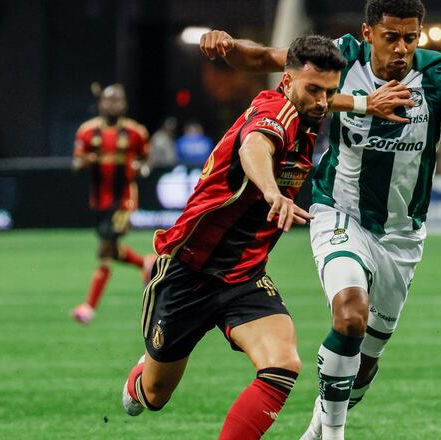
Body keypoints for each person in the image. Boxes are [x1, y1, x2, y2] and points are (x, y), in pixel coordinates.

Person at [200, 1, 441, 438]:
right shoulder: (342, 56)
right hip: (339, 210)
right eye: (391, 37)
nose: (401, 48)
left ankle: (321, 425)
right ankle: (334, 435)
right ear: (368, 32)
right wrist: (226, 47)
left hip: (402, 234)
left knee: (366, 360)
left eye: (411, 38)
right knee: (350, 316)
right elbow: (265, 58)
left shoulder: (439, 75)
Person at [120, 36, 346, 440]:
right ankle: (139, 378)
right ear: (288, 80)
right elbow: (255, 147)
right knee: (154, 396)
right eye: (314, 90)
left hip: (243, 276)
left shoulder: (311, 112)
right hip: (188, 271)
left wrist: (364, 104)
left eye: (330, 91)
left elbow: (329, 101)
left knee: (283, 363)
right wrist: (272, 190)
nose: (323, 101)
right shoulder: (275, 110)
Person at [70, 84, 155, 325]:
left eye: (118, 100)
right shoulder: (87, 132)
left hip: (124, 200)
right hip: (99, 200)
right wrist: (85, 162)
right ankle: (145, 263)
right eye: (109, 100)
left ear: (124, 105)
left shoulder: (135, 132)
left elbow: (146, 161)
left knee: (104, 250)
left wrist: (142, 168)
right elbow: (76, 163)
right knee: (111, 249)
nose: (113, 105)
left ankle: (88, 308)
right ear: (100, 104)